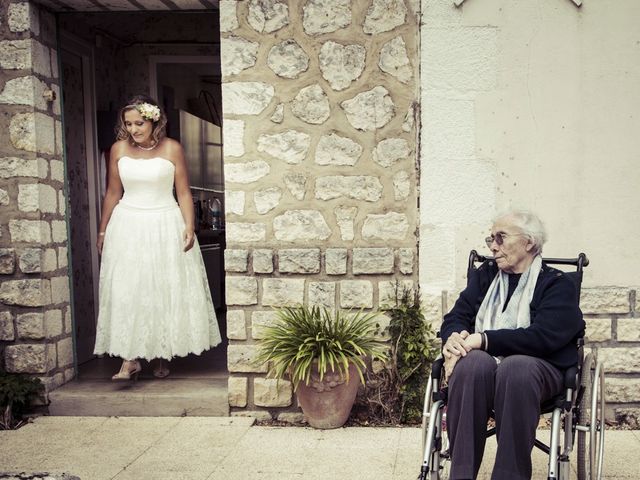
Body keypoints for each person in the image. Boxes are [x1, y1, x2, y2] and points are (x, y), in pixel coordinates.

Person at [440, 210, 584, 480]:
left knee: (516, 367)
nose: (493, 246)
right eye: (490, 239)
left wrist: (485, 339)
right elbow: (457, 315)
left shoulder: (556, 284)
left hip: (539, 370)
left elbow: (543, 337)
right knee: (471, 363)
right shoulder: (486, 276)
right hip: (485, 370)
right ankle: (460, 475)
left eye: (501, 238)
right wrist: (455, 337)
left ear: (528, 242)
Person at [93, 95, 221, 381]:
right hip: (127, 225)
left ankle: (162, 354)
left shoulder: (172, 148)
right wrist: (102, 230)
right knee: (130, 289)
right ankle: (130, 359)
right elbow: (113, 192)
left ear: (153, 121)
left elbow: (184, 192)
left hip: (164, 221)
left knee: (161, 287)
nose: (133, 129)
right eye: (128, 124)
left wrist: (189, 225)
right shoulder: (117, 149)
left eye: (139, 123)